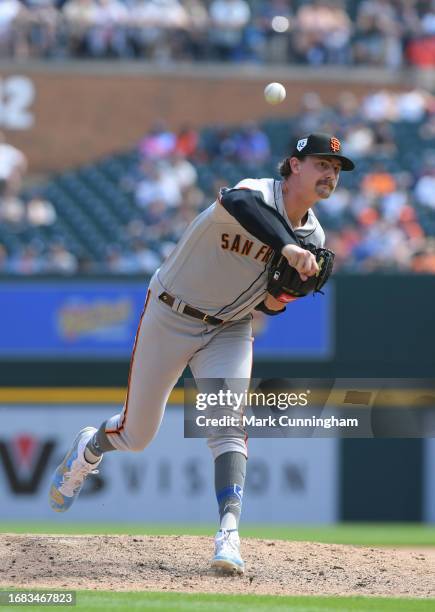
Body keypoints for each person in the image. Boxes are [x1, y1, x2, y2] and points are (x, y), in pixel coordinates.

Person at [49, 132, 355, 574]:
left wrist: (287, 295)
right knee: (137, 436)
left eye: (336, 169)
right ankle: (90, 447)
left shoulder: (314, 235)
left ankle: (228, 535)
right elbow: (238, 205)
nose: (330, 174)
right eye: (322, 164)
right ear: (293, 166)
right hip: (170, 314)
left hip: (229, 328)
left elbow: (270, 301)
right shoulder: (256, 191)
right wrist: (287, 246)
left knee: (226, 424)